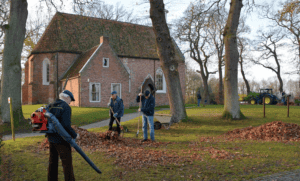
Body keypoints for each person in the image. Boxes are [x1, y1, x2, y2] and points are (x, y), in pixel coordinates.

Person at [46, 90, 78, 181]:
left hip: (51, 138)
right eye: (70, 100)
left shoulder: (51, 105)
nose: (70, 102)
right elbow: (66, 125)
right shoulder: (66, 107)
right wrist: (75, 135)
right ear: (67, 97)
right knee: (67, 163)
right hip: (62, 140)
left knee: (52, 162)